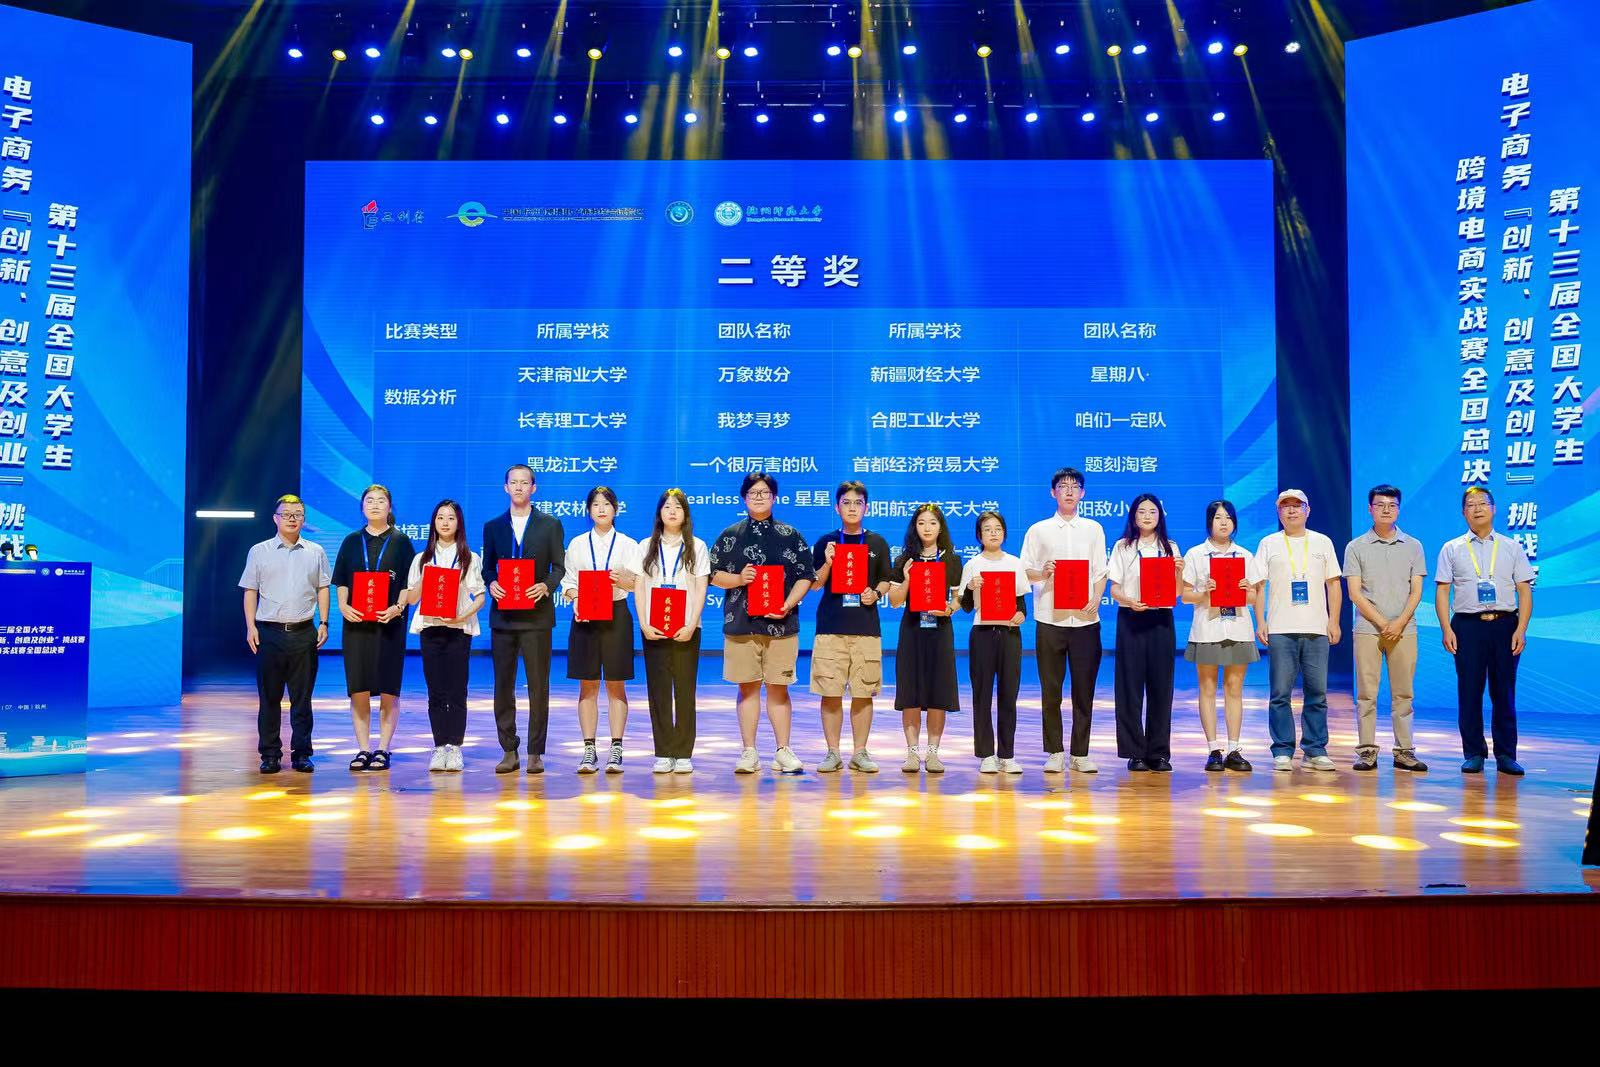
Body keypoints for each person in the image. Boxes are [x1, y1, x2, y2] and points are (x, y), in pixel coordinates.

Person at [709, 472, 816, 774]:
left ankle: (783, 750)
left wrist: (787, 605)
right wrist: (739, 579)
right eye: (753, 493)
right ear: (744, 498)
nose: (759, 497)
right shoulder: (730, 535)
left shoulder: (790, 535)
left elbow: (806, 576)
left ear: (774, 497)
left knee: (779, 689)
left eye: (765, 492)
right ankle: (749, 751)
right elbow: (711, 574)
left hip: (782, 626)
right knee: (748, 689)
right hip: (741, 624)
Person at [1434, 487, 1534, 775]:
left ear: (1494, 508)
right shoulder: (1451, 548)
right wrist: (1446, 628)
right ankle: (1474, 752)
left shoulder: (1512, 547)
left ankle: (1506, 754)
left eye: (1482, 503)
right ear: (1463, 512)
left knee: (1504, 691)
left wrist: (1521, 629)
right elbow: (1442, 592)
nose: (1477, 508)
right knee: (1469, 691)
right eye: (1471, 504)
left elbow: (1524, 590)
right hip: (1467, 626)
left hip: (1505, 625)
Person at [1020, 466, 1108, 773]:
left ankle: (1080, 753)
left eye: (1074, 486)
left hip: (1085, 620)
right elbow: (1024, 571)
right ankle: (1055, 751)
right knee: (1051, 690)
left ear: (1082, 493)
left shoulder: (1093, 529)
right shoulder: (1039, 530)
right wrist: (1043, 572)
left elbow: (1100, 570)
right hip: (1050, 619)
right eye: (1063, 486)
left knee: (1084, 691)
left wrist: (1096, 598)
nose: (1069, 491)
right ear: (1053, 492)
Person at [482, 464, 566, 774]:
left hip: (537, 617)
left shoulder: (550, 524)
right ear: (506, 488)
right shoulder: (493, 526)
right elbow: (487, 567)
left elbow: (559, 567)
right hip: (503, 617)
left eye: (524, 482)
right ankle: (509, 749)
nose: (518, 487)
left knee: (538, 686)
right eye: (513, 482)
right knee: (503, 686)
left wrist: (545, 586)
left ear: (534, 488)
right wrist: (491, 582)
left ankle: (535, 752)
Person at [239, 493, 330, 774]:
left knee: (302, 699)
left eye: (298, 514)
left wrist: (324, 622)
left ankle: (302, 753)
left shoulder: (316, 551)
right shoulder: (259, 551)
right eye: (286, 514)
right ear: (275, 518)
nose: (292, 519)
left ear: (304, 519)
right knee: (269, 698)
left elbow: (323, 587)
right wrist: (251, 626)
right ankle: (270, 754)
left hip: (304, 633)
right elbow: (250, 590)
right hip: (269, 634)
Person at [807, 481, 893, 773]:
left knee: (863, 693)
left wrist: (876, 594)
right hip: (831, 626)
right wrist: (828, 562)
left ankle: (860, 752)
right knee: (830, 692)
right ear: (837, 507)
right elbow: (815, 584)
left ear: (866, 507)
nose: (852, 508)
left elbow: (885, 579)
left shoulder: (877, 543)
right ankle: (832, 752)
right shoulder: (826, 542)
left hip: (865, 626)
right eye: (846, 502)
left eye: (858, 503)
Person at [1255, 489, 1342, 771]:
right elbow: (1258, 586)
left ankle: (1315, 749)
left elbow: (1333, 584)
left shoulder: (1322, 542)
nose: (1292, 510)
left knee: (1317, 692)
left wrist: (1334, 621)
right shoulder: (1269, 543)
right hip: (1281, 628)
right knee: (1280, 693)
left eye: (1297, 505)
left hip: (1316, 628)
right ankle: (1282, 750)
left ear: (1308, 510)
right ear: (1278, 512)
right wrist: (1261, 621)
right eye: (1286, 506)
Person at [1343, 484, 1429, 773]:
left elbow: (1416, 591)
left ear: (1399, 509)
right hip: (1368, 628)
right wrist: (1382, 623)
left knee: (1404, 693)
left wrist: (1399, 622)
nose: (1386, 510)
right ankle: (1367, 751)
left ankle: (1404, 751)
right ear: (1370, 509)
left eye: (1392, 505)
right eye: (1380, 505)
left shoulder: (1414, 546)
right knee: (1367, 694)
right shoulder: (1356, 546)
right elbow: (1355, 593)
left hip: (1405, 629)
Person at [331, 484, 415, 772]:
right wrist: (343, 606)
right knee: (359, 688)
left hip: (389, 624)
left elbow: (409, 583)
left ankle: (383, 748)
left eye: (381, 500)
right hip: (356, 625)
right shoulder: (351, 541)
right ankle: (363, 748)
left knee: (389, 688)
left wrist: (398, 607)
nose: (375, 505)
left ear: (389, 507)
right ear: (362, 507)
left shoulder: (402, 541)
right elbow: (342, 580)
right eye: (369, 500)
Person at [559, 486, 641, 774]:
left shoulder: (629, 544)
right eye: (595, 504)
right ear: (589, 510)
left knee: (616, 684)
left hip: (616, 614)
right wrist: (576, 598)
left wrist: (623, 581)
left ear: (616, 509)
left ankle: (616, 748)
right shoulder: (578, 544)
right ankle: (589, 750)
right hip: (585, 614)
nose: (601, 509)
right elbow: (568, 582)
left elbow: (638, 584)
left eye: (606, 504)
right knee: (588, 684)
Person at [1180, 500, 1260, 771]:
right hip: (1208, 628)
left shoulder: (1245, 555)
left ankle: (1234, 749)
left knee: (1235, 688)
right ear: (1209, 522)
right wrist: (1204, 592)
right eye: (1217, 518)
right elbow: (1185, 595)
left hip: (1237, 627)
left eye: (1228, 517)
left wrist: (1247, 590)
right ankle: (1214, 749)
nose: (1223, 522)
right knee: (1207, 688)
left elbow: (1253, 597)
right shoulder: (1196, 554)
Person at [635, 488, 711, 773]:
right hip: (653, 627)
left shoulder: (697, 546)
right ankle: (664, 751)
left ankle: (683, 752)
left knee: (684, 690)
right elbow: (640, 587)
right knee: (658, 691)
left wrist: (692, 624)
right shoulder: (646, 546)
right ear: (659, 513)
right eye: (667, 506)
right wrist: (644, 623)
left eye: (678, 507)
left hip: (687, 628)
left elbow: (701, 588)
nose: (672, 511)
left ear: (685, 514)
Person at [406, 499, 485, 772]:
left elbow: (480, 596)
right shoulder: (421, 559)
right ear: (433, 523)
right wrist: (424, 577)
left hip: (458, 630)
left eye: (451, 518)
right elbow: (411, 598)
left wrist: (462, 616)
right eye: (440, 517)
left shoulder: (469, 558)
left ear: (459, 523)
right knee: (436, 690)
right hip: (430, 629)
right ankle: (440, 746)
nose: (445, 522)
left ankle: (456, 747)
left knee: (457, 690)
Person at [1107, 493, 1182, 772]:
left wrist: (1179, 571)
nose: (1147, 516)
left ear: (1160, 516)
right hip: (1131, 619)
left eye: (1152, 511)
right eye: (1142, 511)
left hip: (1161, 620)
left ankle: (1158, 752)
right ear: (1133, 516)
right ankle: (1134, 752)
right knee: (1130, 686)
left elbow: (1178, 593)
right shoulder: (1123, 546)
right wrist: (1129, 601)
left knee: (1161, 687)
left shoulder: (1170, 547)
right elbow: (1114, 589)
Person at [887, 504, 964, 773]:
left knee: (937, 693)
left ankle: (932, 753)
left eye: (932, 522)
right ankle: (912, 753)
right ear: (914, 527)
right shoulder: (904, 560)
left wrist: (949, 609)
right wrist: (907, 579)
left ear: (941, 527)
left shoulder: (951, 560)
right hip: (912, 631)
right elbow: (894, 601)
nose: (927, 528)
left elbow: (957, 599)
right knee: (911, 692)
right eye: (921, 523)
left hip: (940, 631)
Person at [958, 510, 1029, 773]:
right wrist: (970, 588)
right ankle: (986, 754)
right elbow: (967, 606)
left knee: (1009, 695)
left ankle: (1007, 755)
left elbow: (1021, 603)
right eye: (987, 529)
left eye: (998, 528)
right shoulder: (972, 564)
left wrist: (1021, 614)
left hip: (1009, 634)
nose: (993, 533)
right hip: (982, 634)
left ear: (1004, 533)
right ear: (979, 535)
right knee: (982, 694)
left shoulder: (1015, 563)